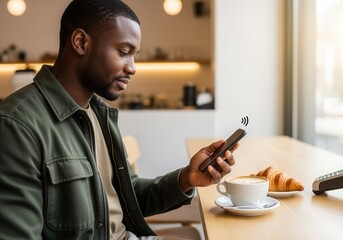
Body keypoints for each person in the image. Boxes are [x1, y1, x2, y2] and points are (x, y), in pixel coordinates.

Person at [0, 0, 237, 239]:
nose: (133, 68)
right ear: (81, 43)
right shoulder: (16, 126)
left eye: (134, 56)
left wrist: (187, 178)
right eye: (124, 52)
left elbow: (128, 196)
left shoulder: (99, 114)